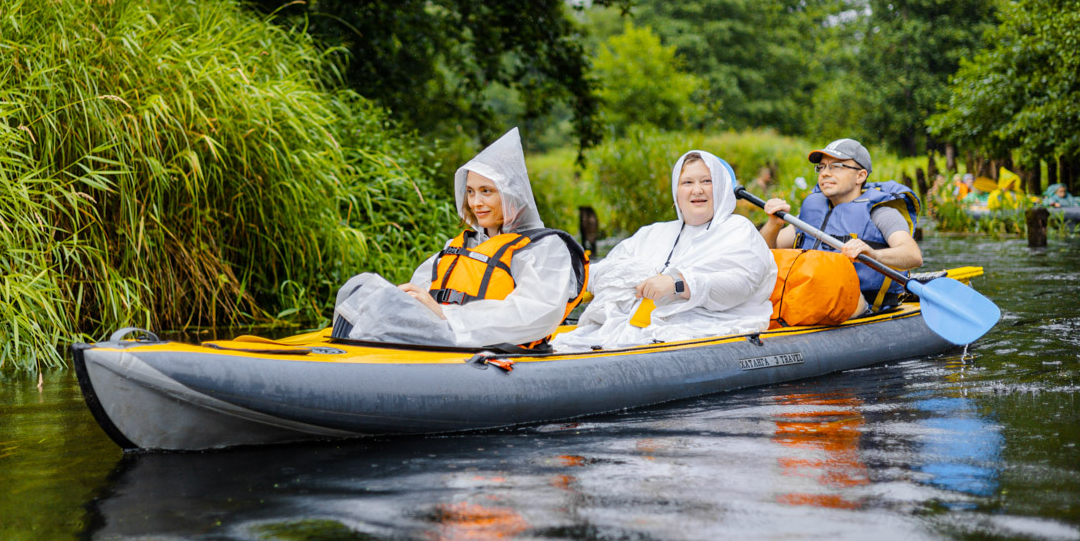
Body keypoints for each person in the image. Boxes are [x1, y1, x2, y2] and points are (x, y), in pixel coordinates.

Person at [331, 128, 587, 350]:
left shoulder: (545, 249)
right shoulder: (463, 246)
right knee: (362, 288)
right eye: (471, 192)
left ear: (512, 195)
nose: (476, 203)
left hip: (501, 351)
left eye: (486, 192)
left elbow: (536, 313)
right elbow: (424, 295)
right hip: (444, 342)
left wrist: (448, 314)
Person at [551, 151, 777, 352]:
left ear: (719, 188)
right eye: (687, 182)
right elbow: (607, 269)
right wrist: (568, 280)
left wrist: (677, 284)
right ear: (676, 192)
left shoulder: (738, 230)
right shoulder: (653, 233)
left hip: (700, 328)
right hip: (629, 330)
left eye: (706, 181)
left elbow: (741, 283)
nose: (697, 190)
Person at [760, 138, 922, 313]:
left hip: (858, 304)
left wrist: (874, 254)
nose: (825, 173)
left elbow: (913, 255)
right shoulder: (811, 212)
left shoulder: (881, 213)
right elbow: (765, 253)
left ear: (860, 176)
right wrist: (773, 224)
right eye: (821, 167)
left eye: (836, 166)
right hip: (805, 298)